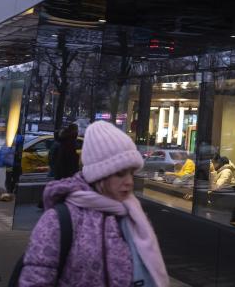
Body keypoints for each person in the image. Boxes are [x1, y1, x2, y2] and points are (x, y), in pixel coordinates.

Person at [19, 120, 169, 287]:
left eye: (131, 173)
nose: (129, 182)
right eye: (120, 174)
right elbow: (35, 278)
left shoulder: (133, 214)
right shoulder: (59, 220)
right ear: (99, 175)